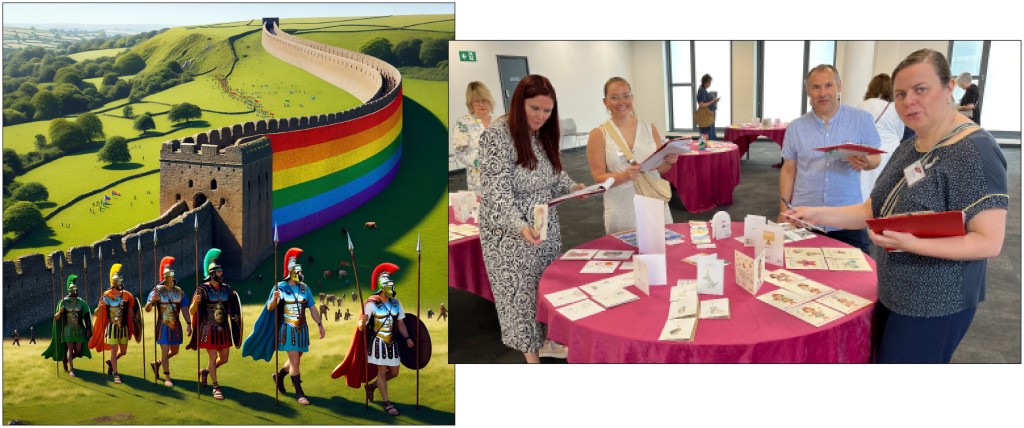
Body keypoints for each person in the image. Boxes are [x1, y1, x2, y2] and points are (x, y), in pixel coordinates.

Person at [786, 49, 1008, 363]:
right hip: (894, 289)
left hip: (937, 301)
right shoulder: (911, 146)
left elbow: (989, 241)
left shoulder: (973, 150)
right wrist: (814, 213)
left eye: (921, 90)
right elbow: (871, 210)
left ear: (948, 89)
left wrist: (912, 243)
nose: (908, 101)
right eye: (901, 94)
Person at [478, 74, 586, 363]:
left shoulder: (542, 133)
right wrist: (519, 226)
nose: (541, 116)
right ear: (519, 104)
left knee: (547, 286)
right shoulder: (497, 135)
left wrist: (572, 187)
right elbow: (495, 193)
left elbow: (553, 172)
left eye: (547, 110)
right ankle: (531, 357)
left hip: (543, 223)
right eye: (535, 108)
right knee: (522, 297)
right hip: (511, 233)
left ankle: (548, 340)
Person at [778, 64, 882, 254]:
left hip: (847, 216)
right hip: (803, 217)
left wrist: (866, 162)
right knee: (802, 277)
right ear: (808, 91)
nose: (822, 93)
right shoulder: (796, 127)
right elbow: (788, 169)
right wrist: (783, 208)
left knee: (854, 279)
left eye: (828, 85)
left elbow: (875, 157)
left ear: (839, 87)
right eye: (816, 87)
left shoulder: (861, 119)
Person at [586, 77, 678, 234]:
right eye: (614, 97)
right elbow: (598, 177)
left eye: (626, 96)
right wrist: (623, 176)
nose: (621, 102)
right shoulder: (599, 134)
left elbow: (659, 169)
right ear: (605, 102)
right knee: (626, 252)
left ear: (632, 98)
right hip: (622, 207)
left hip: (653, 199)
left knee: (662, 248)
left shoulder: (649, 128)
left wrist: (670, 162)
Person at [242, 247, 325, 405]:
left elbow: (313, 308)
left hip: (302, 329)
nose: (301, 274)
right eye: (298, 271)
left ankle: (279, 376)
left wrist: (320, 324)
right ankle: (299, 392)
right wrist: (274, 299)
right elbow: (269, 308)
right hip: (287, 330)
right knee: (295, 361)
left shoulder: (304, 288)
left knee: (297, 357)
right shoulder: (279, 287)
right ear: (290, 271)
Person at [332, 263, 415, 416]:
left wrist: (408, 337)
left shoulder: (396, 303)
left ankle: (371, 387)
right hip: (378, 344)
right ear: (383, 287)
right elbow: (360, 327)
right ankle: (387, 403)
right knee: (382, 371)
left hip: (393, 343)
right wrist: (362, 322)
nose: (392, 287)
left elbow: (401, 323)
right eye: (390, 285)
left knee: (395, 372)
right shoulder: (372, 304)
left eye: (393, 284)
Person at [187, 248, 243, 400]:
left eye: (221, 272)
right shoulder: (202, 290)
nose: (221, 274)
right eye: (218, 272)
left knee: (224, 358)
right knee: (212, 357)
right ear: (212, 274)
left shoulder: (227, 289)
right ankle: (215, 386)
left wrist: (235, 318)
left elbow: (233, 308)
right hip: (208, 328)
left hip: (223, 328)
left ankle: (205, 371)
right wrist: (196, 303)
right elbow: (192, 311)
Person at [88, 263, 142, 384]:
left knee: (122, 351)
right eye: (118, 282)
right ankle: (116, 374)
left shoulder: (127, 295)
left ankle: (111, 363)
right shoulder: (106, 296)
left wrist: (136, 319)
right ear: (114, 283)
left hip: (123, 328)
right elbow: (96, 314)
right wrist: (99, 309)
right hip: (112, 328)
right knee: (113, 350)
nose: (120, 284)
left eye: (120, 282)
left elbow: (132, 311)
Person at [856, 73, 906, 199]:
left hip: (868, 150)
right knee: (885, 188)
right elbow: (900, 133)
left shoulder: (862, 106)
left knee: (865, 187)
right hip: (890, 151)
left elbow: (857, 130)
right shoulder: (894, 108)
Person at [145, 257, 192, 387]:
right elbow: (147, 309)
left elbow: (184, 308)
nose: (172, 279)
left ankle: (157, 363)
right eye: (169, 277)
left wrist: (189, 324)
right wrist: (151, 301)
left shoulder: (179, 292)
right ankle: (167, 377)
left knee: (175, 351)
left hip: (176, 324)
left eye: (173, 276)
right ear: (165, 277)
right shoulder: (157, 291)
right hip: (163, 325)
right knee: (164, 351)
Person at [42, 275, 93, 377]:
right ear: (70, 291)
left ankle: (66, 360)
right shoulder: (63, 302)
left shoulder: (80, 302)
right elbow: (56, 318)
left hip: (78, 329)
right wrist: (60, 312)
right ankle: (72, 369)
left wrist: (88, 328)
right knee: (70, 349)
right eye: (73, 290)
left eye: (76, 290)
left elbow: (86, 314)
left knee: (78, 350)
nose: (75, 292)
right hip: (68, 329)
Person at [451, 81, 496, 193]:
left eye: (484, 100)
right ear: (470, 104)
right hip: (479, 181)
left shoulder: (499, 122)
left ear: (490, 101)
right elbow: (460, 152)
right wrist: (486, 161)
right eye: (477, 101)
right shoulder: (463, 124)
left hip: (503, 179)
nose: (482, 104)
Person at [695, 74, 721, 140]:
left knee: (709, 134)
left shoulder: (704, 90)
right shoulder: (702, 90)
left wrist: (714, 99)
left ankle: (708, 148)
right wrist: (712, 101)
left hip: (709, 116)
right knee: (706, 135)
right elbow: (702, 105)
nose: (710, 84)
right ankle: (705, 149)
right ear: (705, 82)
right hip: (706, 117)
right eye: (709, 82)